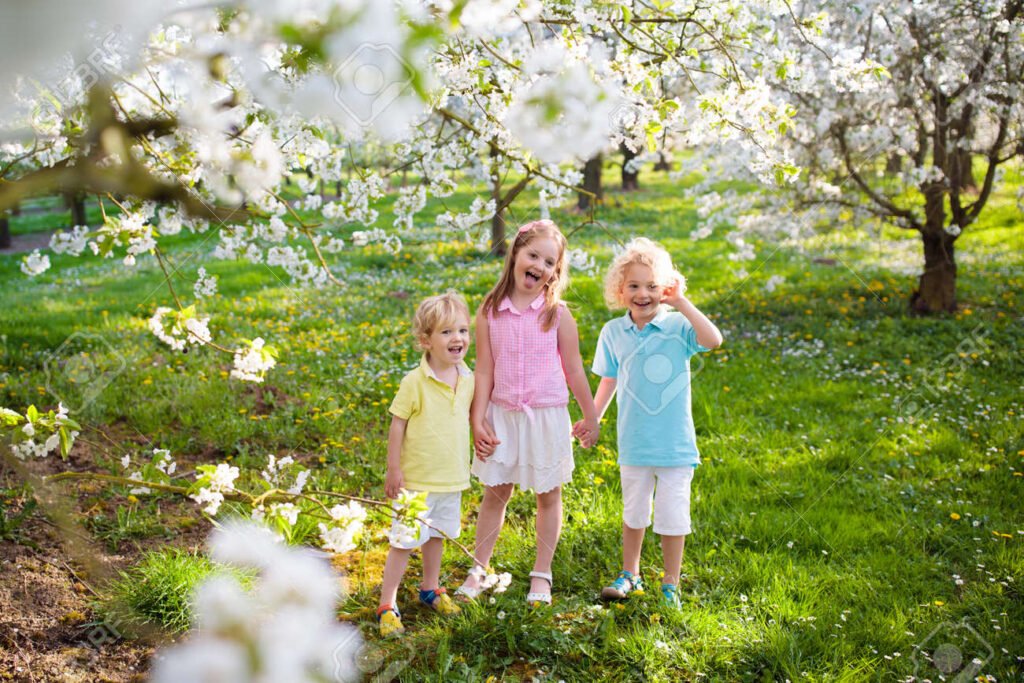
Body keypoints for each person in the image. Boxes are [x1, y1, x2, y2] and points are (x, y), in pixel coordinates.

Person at [457, 219, 599, 606]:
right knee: (494, 493)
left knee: (548, 496)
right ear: (515, 254)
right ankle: (478, 567)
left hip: (546, 417)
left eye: (549, 261)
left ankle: (542, 573)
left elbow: (573, 369)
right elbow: (484, 368)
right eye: (532, 254)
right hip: (503, 415)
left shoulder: (557, 314)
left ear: (555, 271)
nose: (539, 264)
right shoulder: (490, 310)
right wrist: (477, 417)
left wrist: (591, 416)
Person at [588, 237, 723, 609]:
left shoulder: (679, 326)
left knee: (672, 517)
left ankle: (670, 583)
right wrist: (594, 418)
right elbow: (609, 380)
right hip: (635, 442)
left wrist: (680, 301)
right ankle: (630, 573)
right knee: (633, 512)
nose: (643, 294)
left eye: (651, 286)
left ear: (663, 288)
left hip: (675, 445)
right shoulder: (613, 332)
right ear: (620, 289)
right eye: (633, 285)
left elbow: (713, 340)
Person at [377, 291, 475, 636]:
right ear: (425, 341)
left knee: (436, 536)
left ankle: (430, 588)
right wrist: (394, 469)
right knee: (404, 541)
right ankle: (387, 603)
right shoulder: (414, 382)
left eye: (463, 330)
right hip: (416, 481)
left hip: (451, 479)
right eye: (447, 332)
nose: (458, 338)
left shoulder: (468, 378)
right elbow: (397, 424)